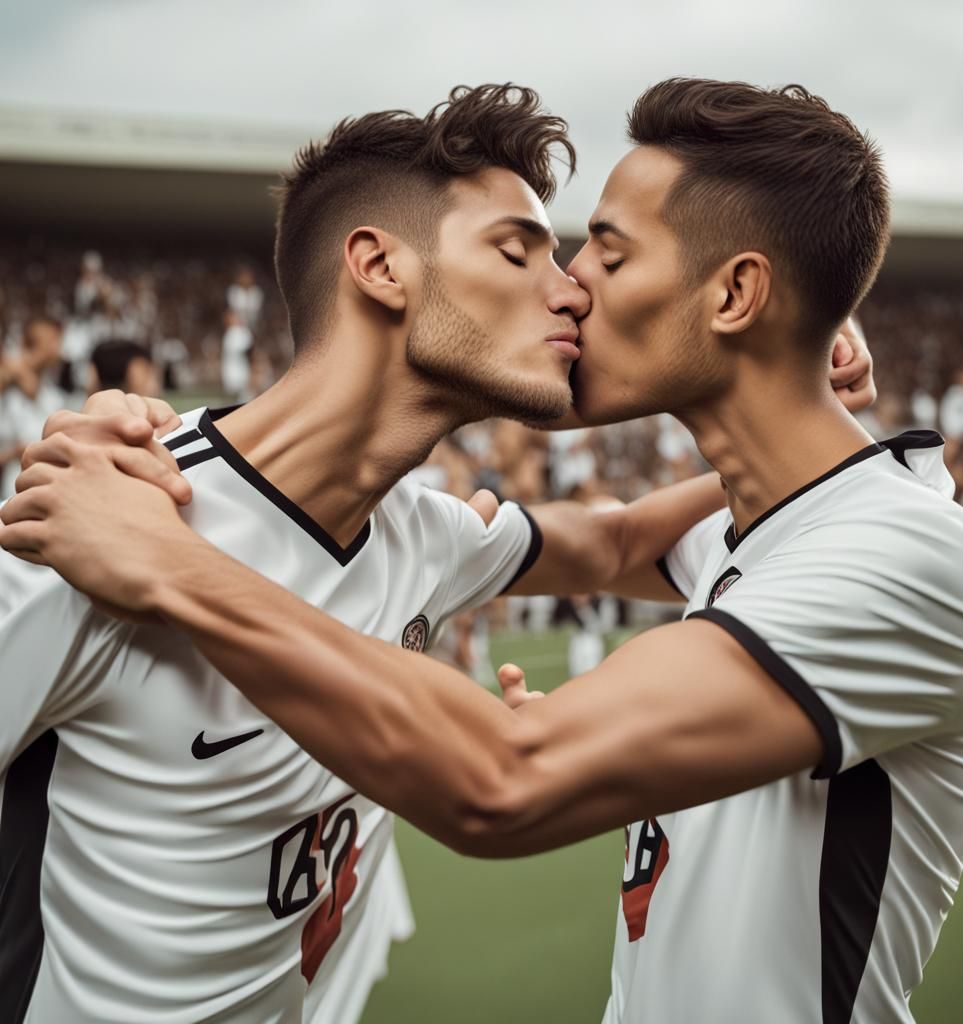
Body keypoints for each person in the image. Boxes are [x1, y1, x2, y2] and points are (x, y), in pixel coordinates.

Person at [3, 82, 894, 1024]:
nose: (572, 290)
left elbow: (617, 541)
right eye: (518, 251)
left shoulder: (424, 538)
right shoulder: (94, 522)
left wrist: (791, 370)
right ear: (380, 267)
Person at [0, 316, 70, 498]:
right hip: (11, 490)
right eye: (53, 340)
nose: (58, 348)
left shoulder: (52, 393)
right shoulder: (8, 382)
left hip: (45, 488)